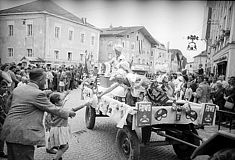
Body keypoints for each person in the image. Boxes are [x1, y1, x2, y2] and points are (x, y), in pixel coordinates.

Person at [0, 68, 76, 160]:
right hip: (23, 134)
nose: (45, 82)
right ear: (40, 79)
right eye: (45, 79)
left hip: (10, 130)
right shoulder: (38, 94)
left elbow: (8, 106)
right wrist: (69, 113)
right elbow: (53, 109)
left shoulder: (18, 89)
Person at [46, 92, 92, 160]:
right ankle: (56, 158)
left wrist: (65, 95)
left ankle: (50, 149)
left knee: (59, 143)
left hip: (54, 129)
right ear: (56, 102)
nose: (63, 101)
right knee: (65, 146)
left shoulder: (53, 108)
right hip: (60, 130)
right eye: (61, 100)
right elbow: (73, 110)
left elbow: (60, 104)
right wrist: (84, 105)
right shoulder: (62, 110)